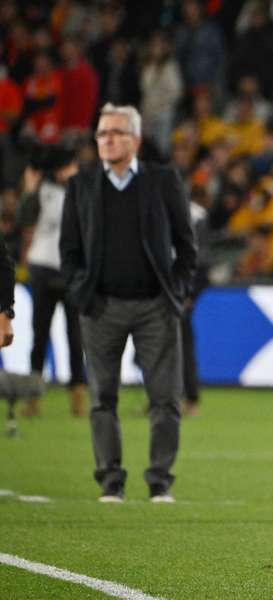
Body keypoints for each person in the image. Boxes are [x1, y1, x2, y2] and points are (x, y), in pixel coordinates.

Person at [59, 103, 197, 504]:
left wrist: (178, 289)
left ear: (135, 139)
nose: (107, 140)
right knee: (102, 398)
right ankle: (111, 482)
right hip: (101, 307)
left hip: (155, 306)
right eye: (102, 134)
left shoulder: (163, 180)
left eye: (116, 133)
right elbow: (69, 250)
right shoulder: (80, 185)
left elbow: (187, 245)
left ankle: (160, 482)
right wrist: (79, 288)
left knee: (166, 399)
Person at [19, 146, 87, 418]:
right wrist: (30, 189)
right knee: (40, 335)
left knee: (75, 336)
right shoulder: (43, 192)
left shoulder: (86, 191)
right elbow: (24, 218)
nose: (62, 173)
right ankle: (34, 396)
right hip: (43, 269)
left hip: (72, 272)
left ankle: (78, 396)